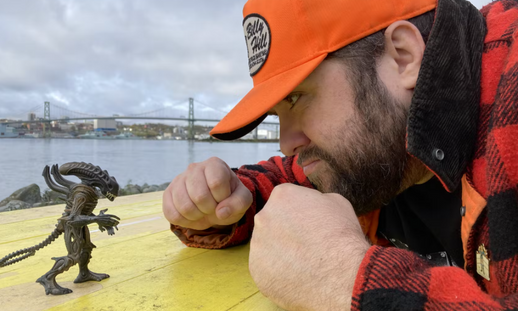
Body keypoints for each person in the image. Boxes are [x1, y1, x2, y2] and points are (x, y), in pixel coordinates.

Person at [162, 0, 518, 309]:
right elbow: (281, 179)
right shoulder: (373, 147)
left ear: (404, 56)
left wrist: (346, 280)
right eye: (277, 115)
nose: (287, 143)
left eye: (297, 97)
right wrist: (223, 202)